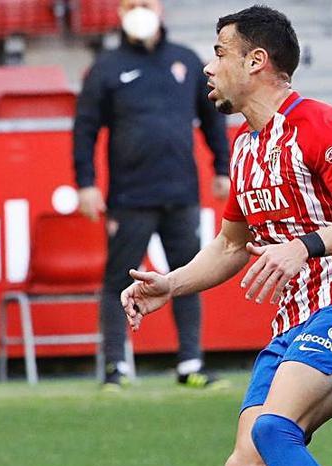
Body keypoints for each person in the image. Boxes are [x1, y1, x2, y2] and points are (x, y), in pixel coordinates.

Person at [119, 6, 332, 466]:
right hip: (292, 321)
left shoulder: (316, 122)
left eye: (220, 53)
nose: (208, 66)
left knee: (273, 430)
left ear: (257, 61)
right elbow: (230, 244)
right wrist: (170, 284)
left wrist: (302, 246)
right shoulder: (245, 147)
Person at [72, 0, 231, 389]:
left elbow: (213, 117)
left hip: (181, 193)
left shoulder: (186, 61)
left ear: (159, 9)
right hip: (130, 197)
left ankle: (190, 363)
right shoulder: (106, 66)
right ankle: (115, 367)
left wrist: (222, 168)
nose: (139, 10)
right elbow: (85, 129)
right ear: (119, 13)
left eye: (145, 2)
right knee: (117, 280)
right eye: (131, 4)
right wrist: (86, 183)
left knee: (188, 276)